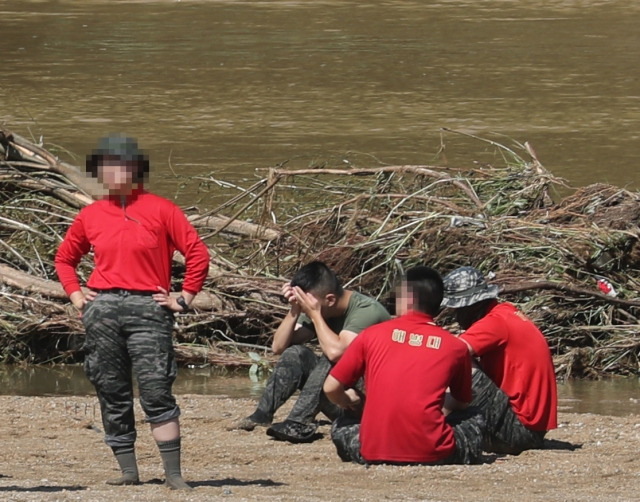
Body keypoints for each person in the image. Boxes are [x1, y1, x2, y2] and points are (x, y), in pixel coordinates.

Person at [54, 134, 210, 490]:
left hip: (149, 308)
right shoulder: (90, 214)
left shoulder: (162, 209)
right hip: (102, 309)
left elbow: (198, 254)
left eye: (121, 165)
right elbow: (65, 259)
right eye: (106, 166)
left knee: (156, 389)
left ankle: (173, 475)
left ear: (137, 169)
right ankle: (129, 473)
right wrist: (77, 296)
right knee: (111, 388)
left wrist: (183, 298)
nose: (113, 172)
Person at [323, 266, 485, 465]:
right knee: (474, 415)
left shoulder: (371, 335)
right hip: (433, 453)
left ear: (407, 298)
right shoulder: (456, 347)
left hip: (372, 452)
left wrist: (351, 401)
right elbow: (461, 403)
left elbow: (330, 388)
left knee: (341, 424)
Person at [230, 261, 390, 443]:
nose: (307, 307)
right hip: (340, 397)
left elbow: (337, 354)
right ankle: (262, 415)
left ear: (329, 300)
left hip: (368, 402)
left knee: (332, 360)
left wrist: (314, 315)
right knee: (296, 354)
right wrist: (295, 309)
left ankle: (298, 423)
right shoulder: (321, 307)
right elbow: (279, 347)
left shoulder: (366, 311)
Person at [441, 266, 558, 455]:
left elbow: (446, 353)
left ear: (471, 305)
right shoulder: (505, 313)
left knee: (460, 361)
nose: (456, 316)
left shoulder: (494, 323)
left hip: (521, 432)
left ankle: (434, 418)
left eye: (457, 309)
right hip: (531, 429)